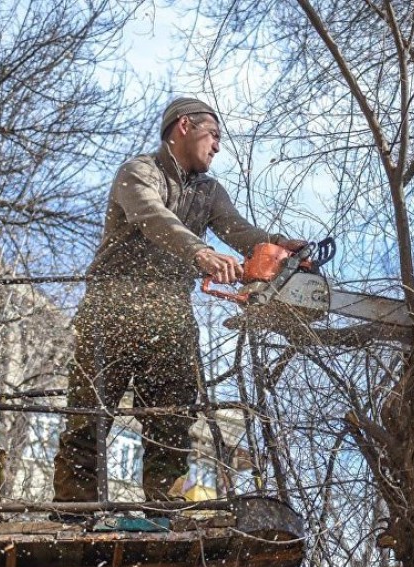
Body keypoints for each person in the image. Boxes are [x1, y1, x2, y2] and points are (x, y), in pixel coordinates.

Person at [52, 97, 305, 504]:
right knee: (89, 420)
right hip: (113, 308)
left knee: (172, 423)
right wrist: (199, 253)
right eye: (215, 136)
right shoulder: (138, 173)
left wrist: (273, 246)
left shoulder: (209, 192)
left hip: (170, 316)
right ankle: (74, 516)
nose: (218, 147)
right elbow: (154, 218)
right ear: (185, 126)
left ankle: (163, 513)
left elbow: (236, 229)